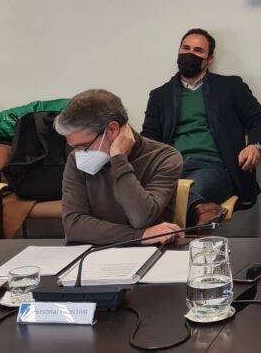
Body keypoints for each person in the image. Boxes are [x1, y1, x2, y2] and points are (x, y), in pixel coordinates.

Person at [143, 28, 261, 224]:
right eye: (185, 48)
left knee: (171, 196)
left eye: (198, 50)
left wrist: (255, 146)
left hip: (215, 167)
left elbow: (258, 120)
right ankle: (201, 209)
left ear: (209, 59)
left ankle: (194, 208)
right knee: (143, 191)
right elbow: (149, 138)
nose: (190, 54)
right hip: (173, 167)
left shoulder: (230, 87)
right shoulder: (159, 96)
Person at [56, 89, 184, 246]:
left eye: (84, 146)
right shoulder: (75, 160)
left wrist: (118, 159)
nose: (79, 153)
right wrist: (139, 235)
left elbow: (141, 218)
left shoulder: (165, 157)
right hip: (94, 252)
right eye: (74, 147)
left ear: (112, 130)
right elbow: (73, 226)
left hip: (150, 252)